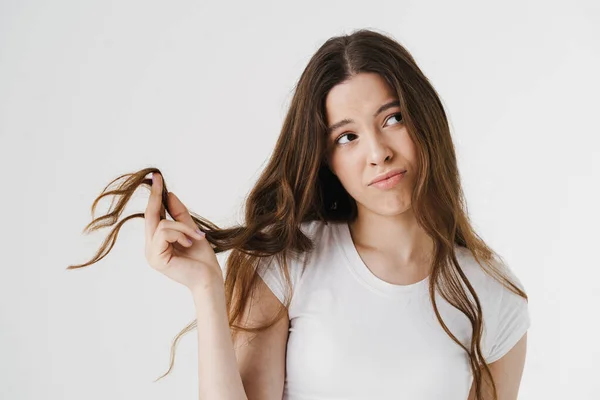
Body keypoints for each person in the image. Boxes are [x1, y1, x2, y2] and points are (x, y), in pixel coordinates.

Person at [69, 28, 530, 400]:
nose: (377, 153)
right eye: (346, 137)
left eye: (393, 118)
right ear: (326, 158)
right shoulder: (289, 262)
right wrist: (207, 288)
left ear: (426, 121)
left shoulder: (494, 294)